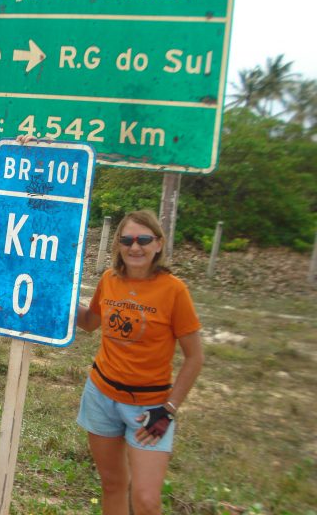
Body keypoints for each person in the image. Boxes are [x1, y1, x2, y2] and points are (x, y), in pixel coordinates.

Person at [75, 209, 204, 515]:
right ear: (119, 244)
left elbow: (195, 357)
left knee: (146, 501)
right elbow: (91, 322)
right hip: (101, 396)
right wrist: (56, 298)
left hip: (150, 410)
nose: (135, 247)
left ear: (158, 244)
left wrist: (169, 409)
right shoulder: (109, 280)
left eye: (143, 239)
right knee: (112, 484)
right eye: (127, 240)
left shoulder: (174, 290)